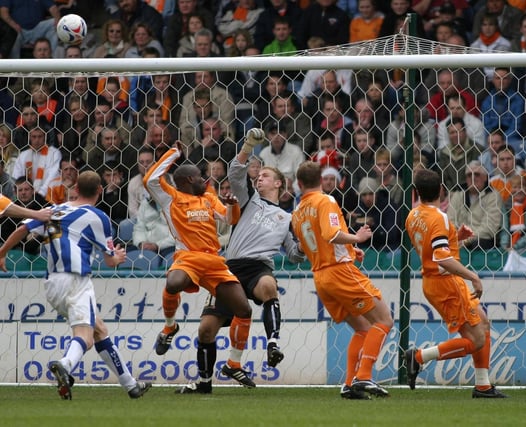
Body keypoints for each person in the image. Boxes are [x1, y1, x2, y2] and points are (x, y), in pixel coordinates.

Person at [0, 171, 151, 400]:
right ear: (99, 191)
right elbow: (110, 261)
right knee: (86, 336)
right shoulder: (99, 217)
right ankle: (65, 364)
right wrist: (118, 257)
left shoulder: (54, 210)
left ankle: (131, 386)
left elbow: (22, 230)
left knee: (99, 330)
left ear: (76, 189)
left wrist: (2, 254)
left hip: (52, 284)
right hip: (77, 280)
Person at [176, 129, 306, 394]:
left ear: (279, 184)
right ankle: (203, 383)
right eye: (258, 177)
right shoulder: (249, 200)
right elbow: (235, 172)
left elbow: (293, 255)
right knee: (206, 331)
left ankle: (273, 343)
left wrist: (304, 243)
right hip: (230, 268)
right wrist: (247, 145)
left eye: (265, 176)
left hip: (259, 268)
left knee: (269, 286)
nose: (259, 179)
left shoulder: (288, 218)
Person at [143, 140, 255, 388]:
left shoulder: (208, 197)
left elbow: (229, 218)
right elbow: (150, 180)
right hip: (188, 258)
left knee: (244, 310)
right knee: (174, 282)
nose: (205, 179)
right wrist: (173, 154)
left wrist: (233, 206)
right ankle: (170, 327)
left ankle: (234, 364)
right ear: (186, 181)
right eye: (198, 176)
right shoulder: (170, 197)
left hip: (215, 261)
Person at [291, 160, 394, 399]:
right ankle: (364, 376)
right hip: (339, 272)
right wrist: (356, 239)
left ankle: (349, 384)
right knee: (384, 320)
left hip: (320, 276)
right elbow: (331, 234)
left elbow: (310, 244)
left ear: (298, 183)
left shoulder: (297, 211)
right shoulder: (325, 200)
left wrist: (348, 250)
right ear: (322, 180)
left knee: (362, 328)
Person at [404, 167, 507, 398]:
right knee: (476, 340)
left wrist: (455, 238)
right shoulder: (438, 216)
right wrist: (473, 276)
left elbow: (433, 249)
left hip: (435, 281)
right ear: (441, 190)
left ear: (416, 192)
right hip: (446, 283)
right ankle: (419, 357)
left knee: (484, 323)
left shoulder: (413, 215)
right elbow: (441, 259)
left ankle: (483, 386)